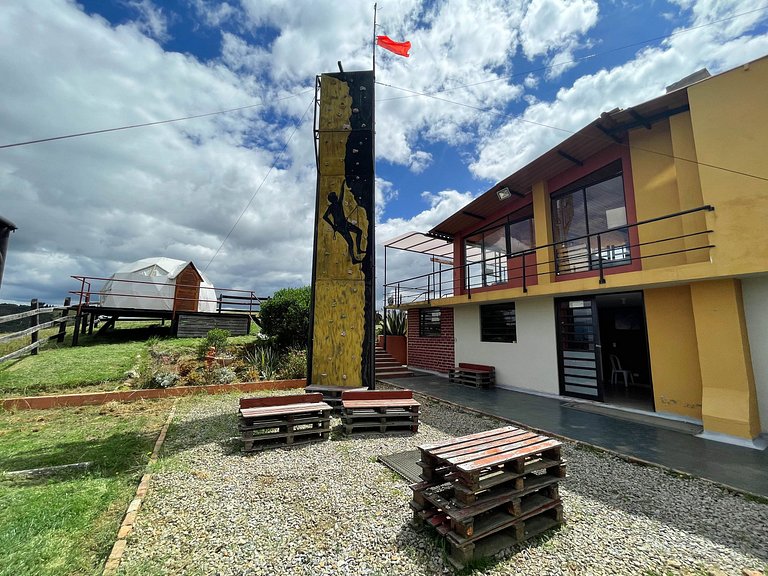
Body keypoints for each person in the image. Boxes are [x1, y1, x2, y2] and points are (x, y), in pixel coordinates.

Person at [322, 180, 365, 264]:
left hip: (345, 224)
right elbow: (324, 217)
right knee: (350, 242)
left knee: (359, 232)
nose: (337, 197)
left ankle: (359, 250)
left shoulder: (338, 203)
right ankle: (353, 259)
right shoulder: (332, 207)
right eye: (335, 196)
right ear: (333, 199)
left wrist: (343, 184)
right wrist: (333, 225)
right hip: (340, 227)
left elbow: (342, 193)